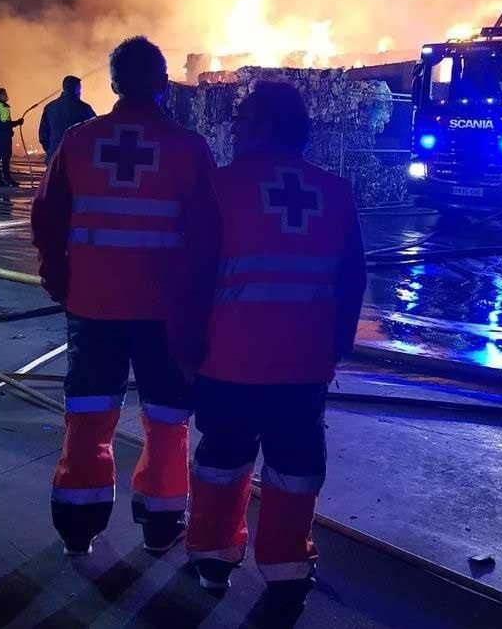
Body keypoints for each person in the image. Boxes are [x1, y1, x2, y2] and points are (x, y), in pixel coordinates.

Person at [31, 36, 219, 556]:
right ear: (163, 85)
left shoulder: (77, 141)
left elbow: (46, 222)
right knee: (166, 418)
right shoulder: (189, 149)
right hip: (165, 313)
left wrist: (62, 284)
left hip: (93, 308)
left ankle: (77, 524)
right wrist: (199, 308)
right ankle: (160, 526)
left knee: (88, 414)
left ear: (113, 84)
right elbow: (208, 240)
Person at [186, 81, 366, 613]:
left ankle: (214, 562)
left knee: (222, 460)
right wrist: (335, 346)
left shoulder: (217, 188)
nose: (235, 129)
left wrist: (186, 351)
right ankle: (287, 570)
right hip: (303, 366)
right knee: (296, 465)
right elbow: (352, 279)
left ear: (265, 126)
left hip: (228, 362)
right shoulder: (335, 191)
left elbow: (190, 280)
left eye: (242, 120)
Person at [39, 75, 96, 162]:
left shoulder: (50, 107)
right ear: (76, 89)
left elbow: (43, 135)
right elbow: (95, 130)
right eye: (79, 89)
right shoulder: (85, 108)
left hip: (54, 159)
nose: (80, 92)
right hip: (77, 159)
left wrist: (52, 151)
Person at [0, 88, 24, 188]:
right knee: (1, 159)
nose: (7, 96)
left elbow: (0, 123)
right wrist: (17, 123)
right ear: (0, 95)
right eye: (5, 94)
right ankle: (3, 180)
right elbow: (2, 124)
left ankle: (4, 180)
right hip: (2, 137)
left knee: (2, 159)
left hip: (1, 136)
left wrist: (9, 130)